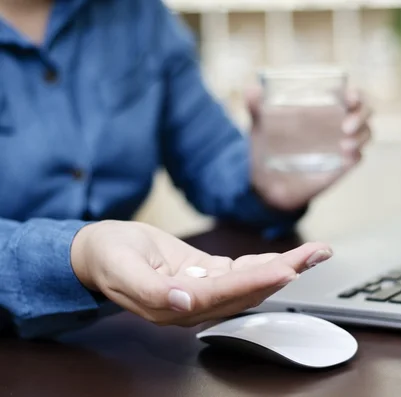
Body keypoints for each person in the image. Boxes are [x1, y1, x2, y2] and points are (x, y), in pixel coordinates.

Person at [0, 0, 372, 338]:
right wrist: (76, 254)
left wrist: (263, 183)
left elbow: (207, 154)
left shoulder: (139, 14)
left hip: (112, 340)